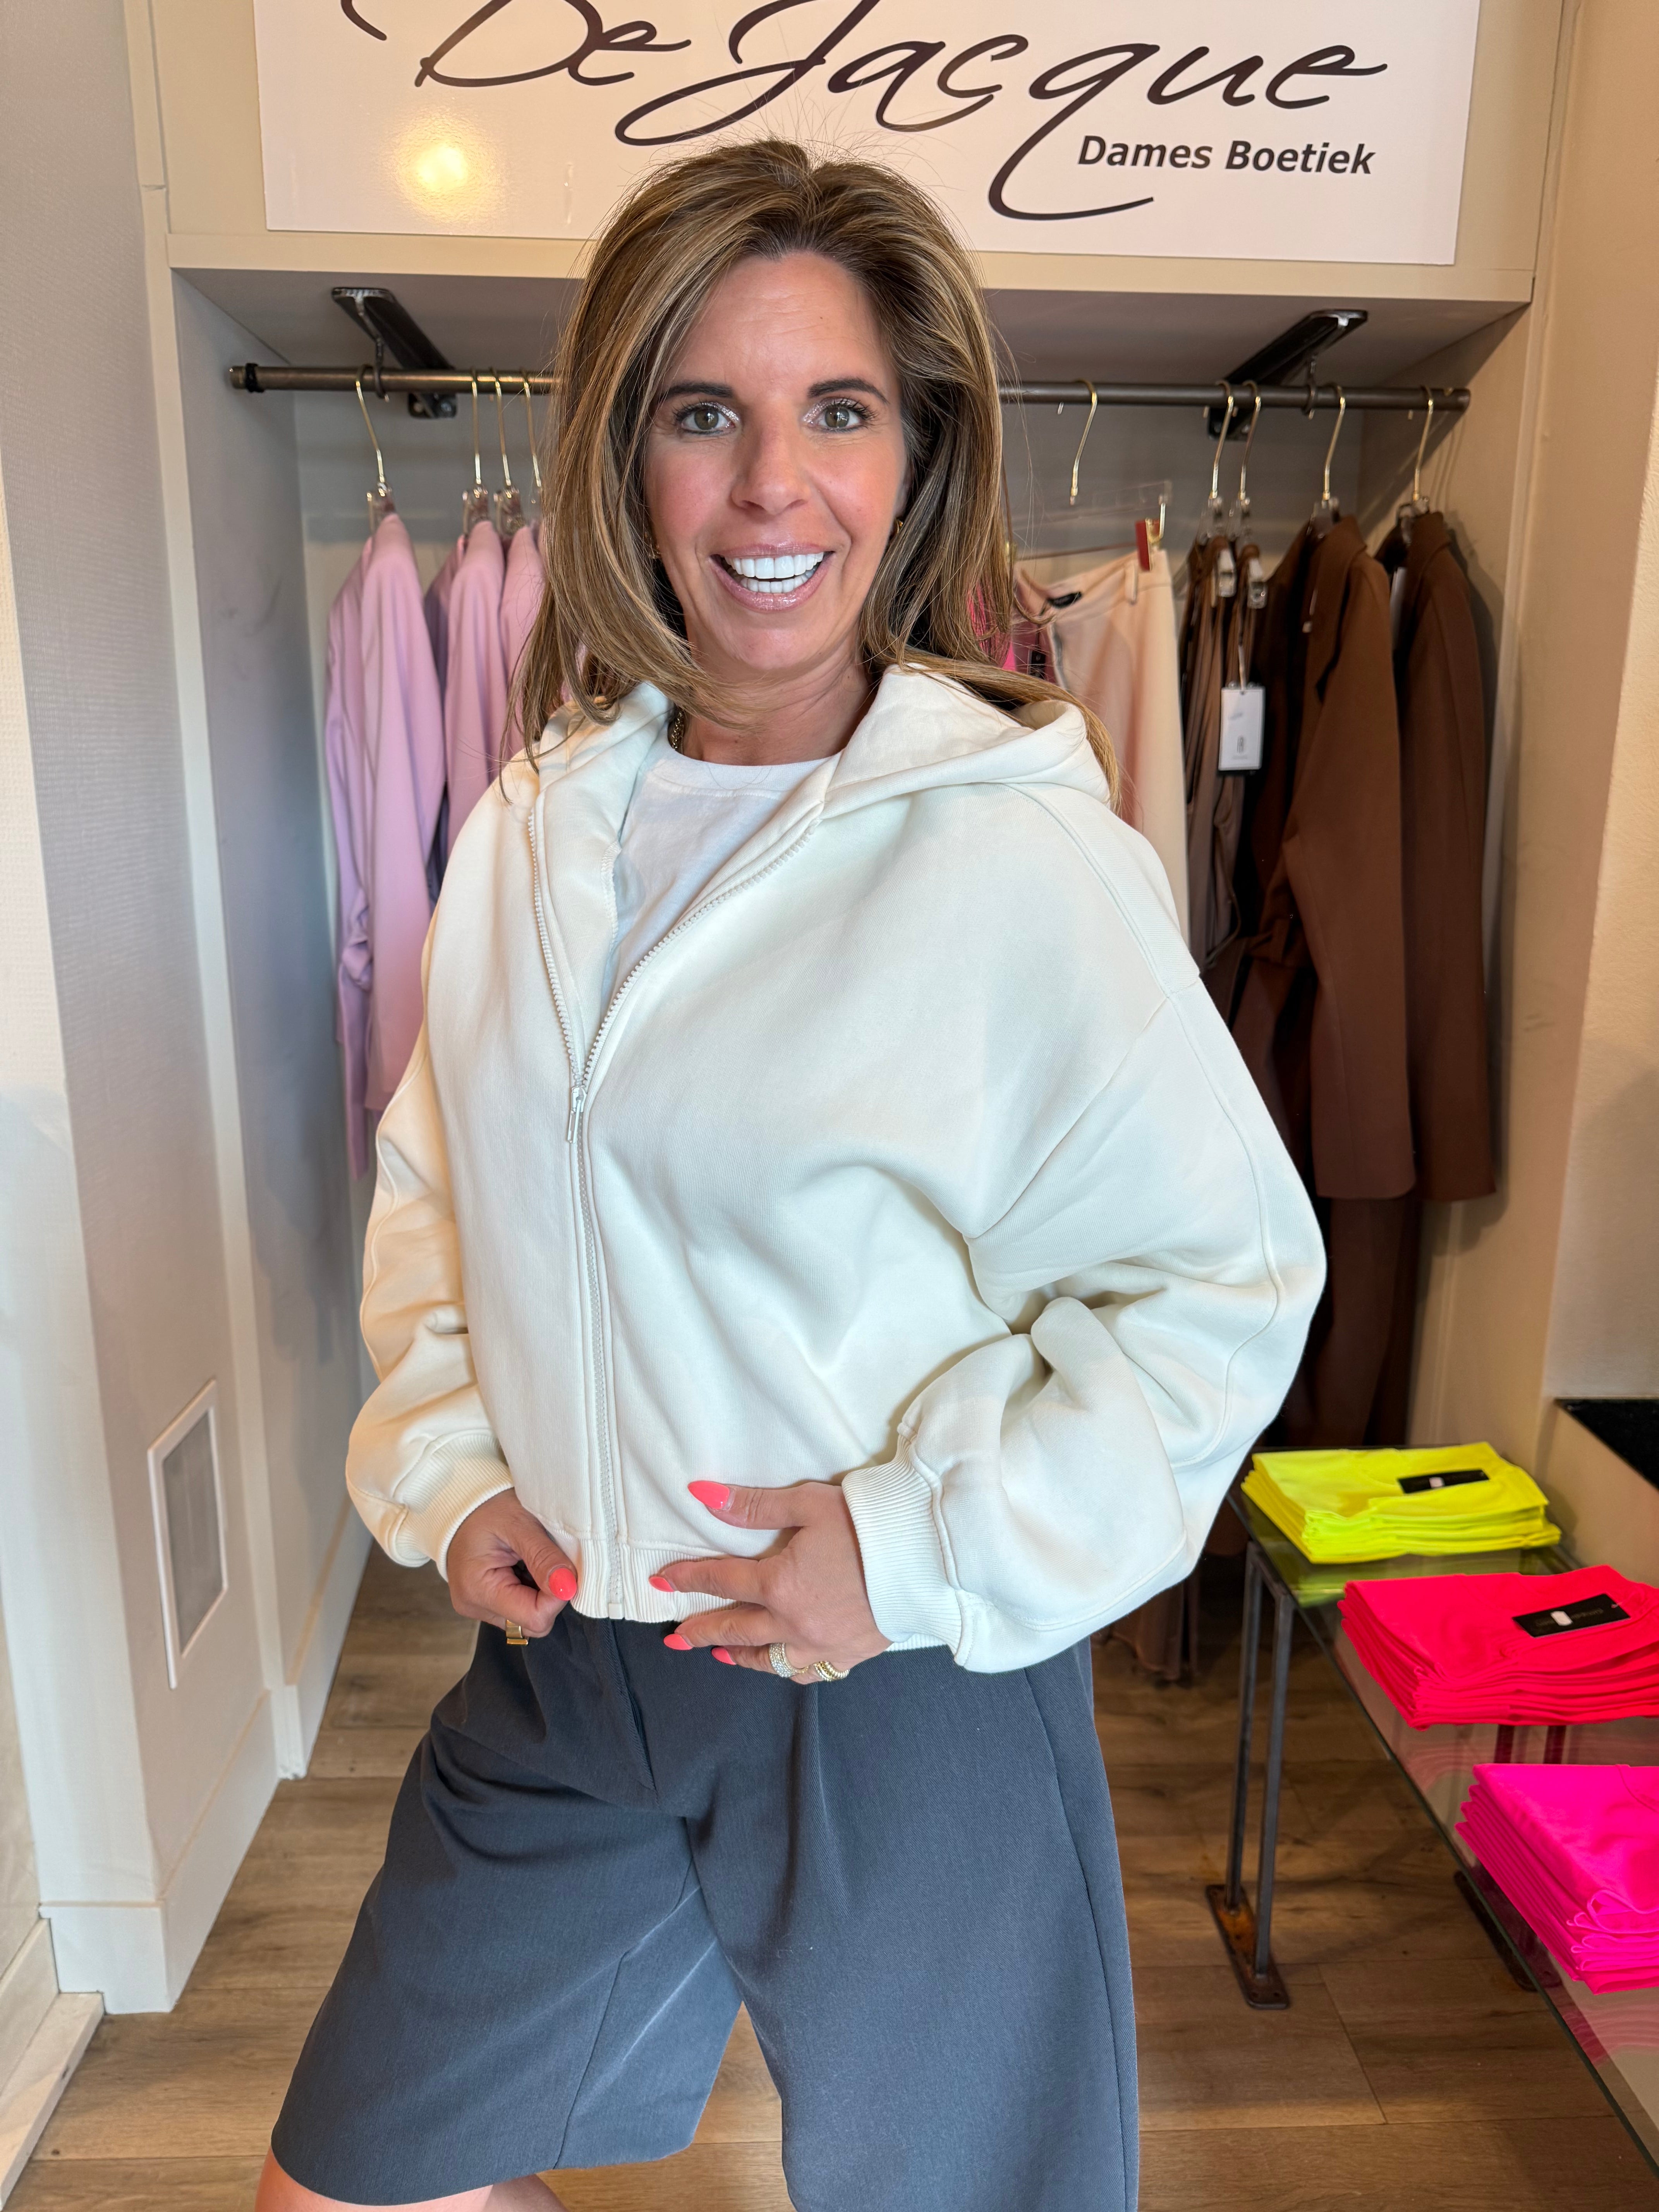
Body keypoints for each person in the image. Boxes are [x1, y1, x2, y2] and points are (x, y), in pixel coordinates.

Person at [259, 139, 1323, 2212]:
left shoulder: (1015, 852)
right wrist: (451, 1467)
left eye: (838, 411)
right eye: (702, 413)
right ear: (624, 458)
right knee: (359, 2181)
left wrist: (916, 1552)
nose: (773, 485)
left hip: (892, 1684)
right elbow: (443, 1194)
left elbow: (1221, 1289)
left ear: (913, 463)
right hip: (572, 1655)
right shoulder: (532, 826)